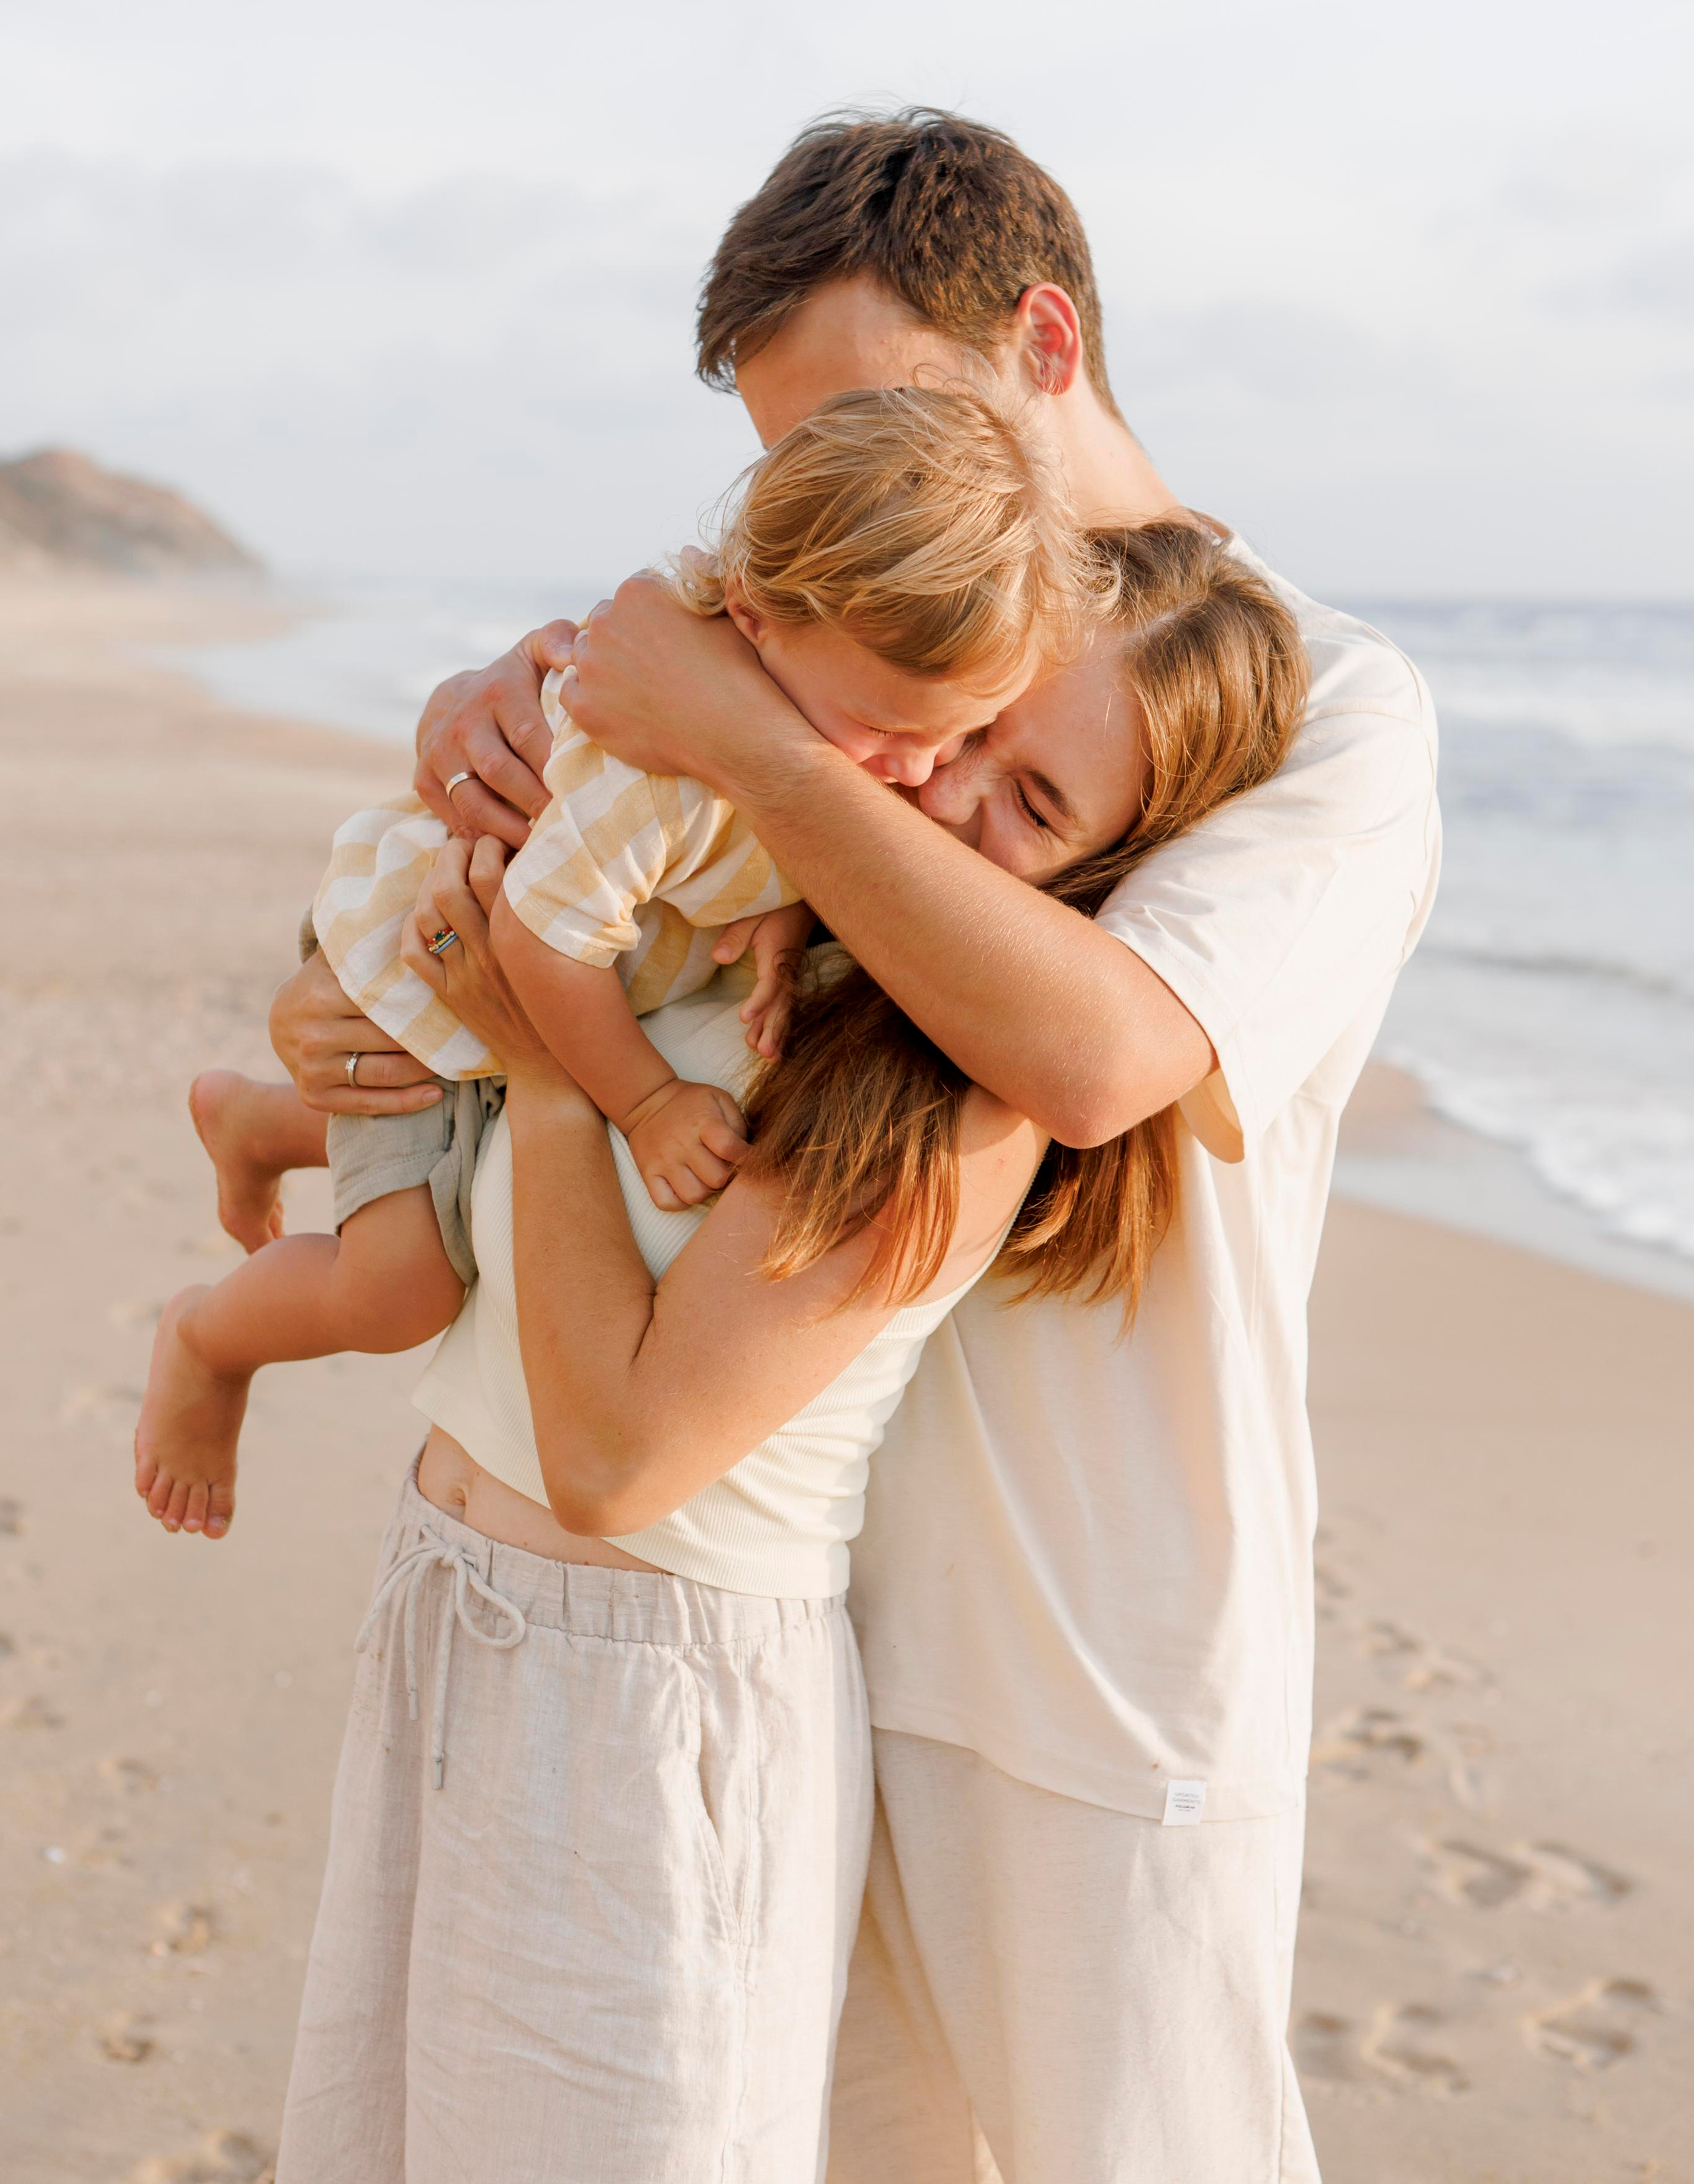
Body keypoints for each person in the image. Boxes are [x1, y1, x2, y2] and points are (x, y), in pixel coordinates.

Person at [295, 109, 1442, 2181]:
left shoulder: (1308, 704)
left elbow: (1096, 1058)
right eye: (782, 462)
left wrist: (729, 738)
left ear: (1045, 342)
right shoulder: (871, 651)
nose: (836, 497)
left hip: (1097, 1647)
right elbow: (595, 879)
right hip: (801, 1590)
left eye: (875, 420)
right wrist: (480, 743)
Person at [269, 522, 1310, 2181]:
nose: (953, 801)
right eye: (972, 737)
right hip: (451, 1618)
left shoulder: (942, 1109)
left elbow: (616, 1464)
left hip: (644, 1713)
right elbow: (442, 906)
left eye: (1036, 807)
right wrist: (330, 1017)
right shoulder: (740, 893)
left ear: (1106, 873)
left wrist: (550, 1086)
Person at [134, 383, 1089, 1542]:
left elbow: (789, 849)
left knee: (446, 1129)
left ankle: (261, 1121)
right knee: (400, 1290)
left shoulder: (816, 703)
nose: (913, 772)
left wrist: (788, 924)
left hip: (528, 979)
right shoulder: (659, 773)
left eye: (960, 736)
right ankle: (204, 1337)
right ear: (756, 617)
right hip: (425, 966)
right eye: (888, 731)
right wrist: (641, 1107)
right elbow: (534, 945)